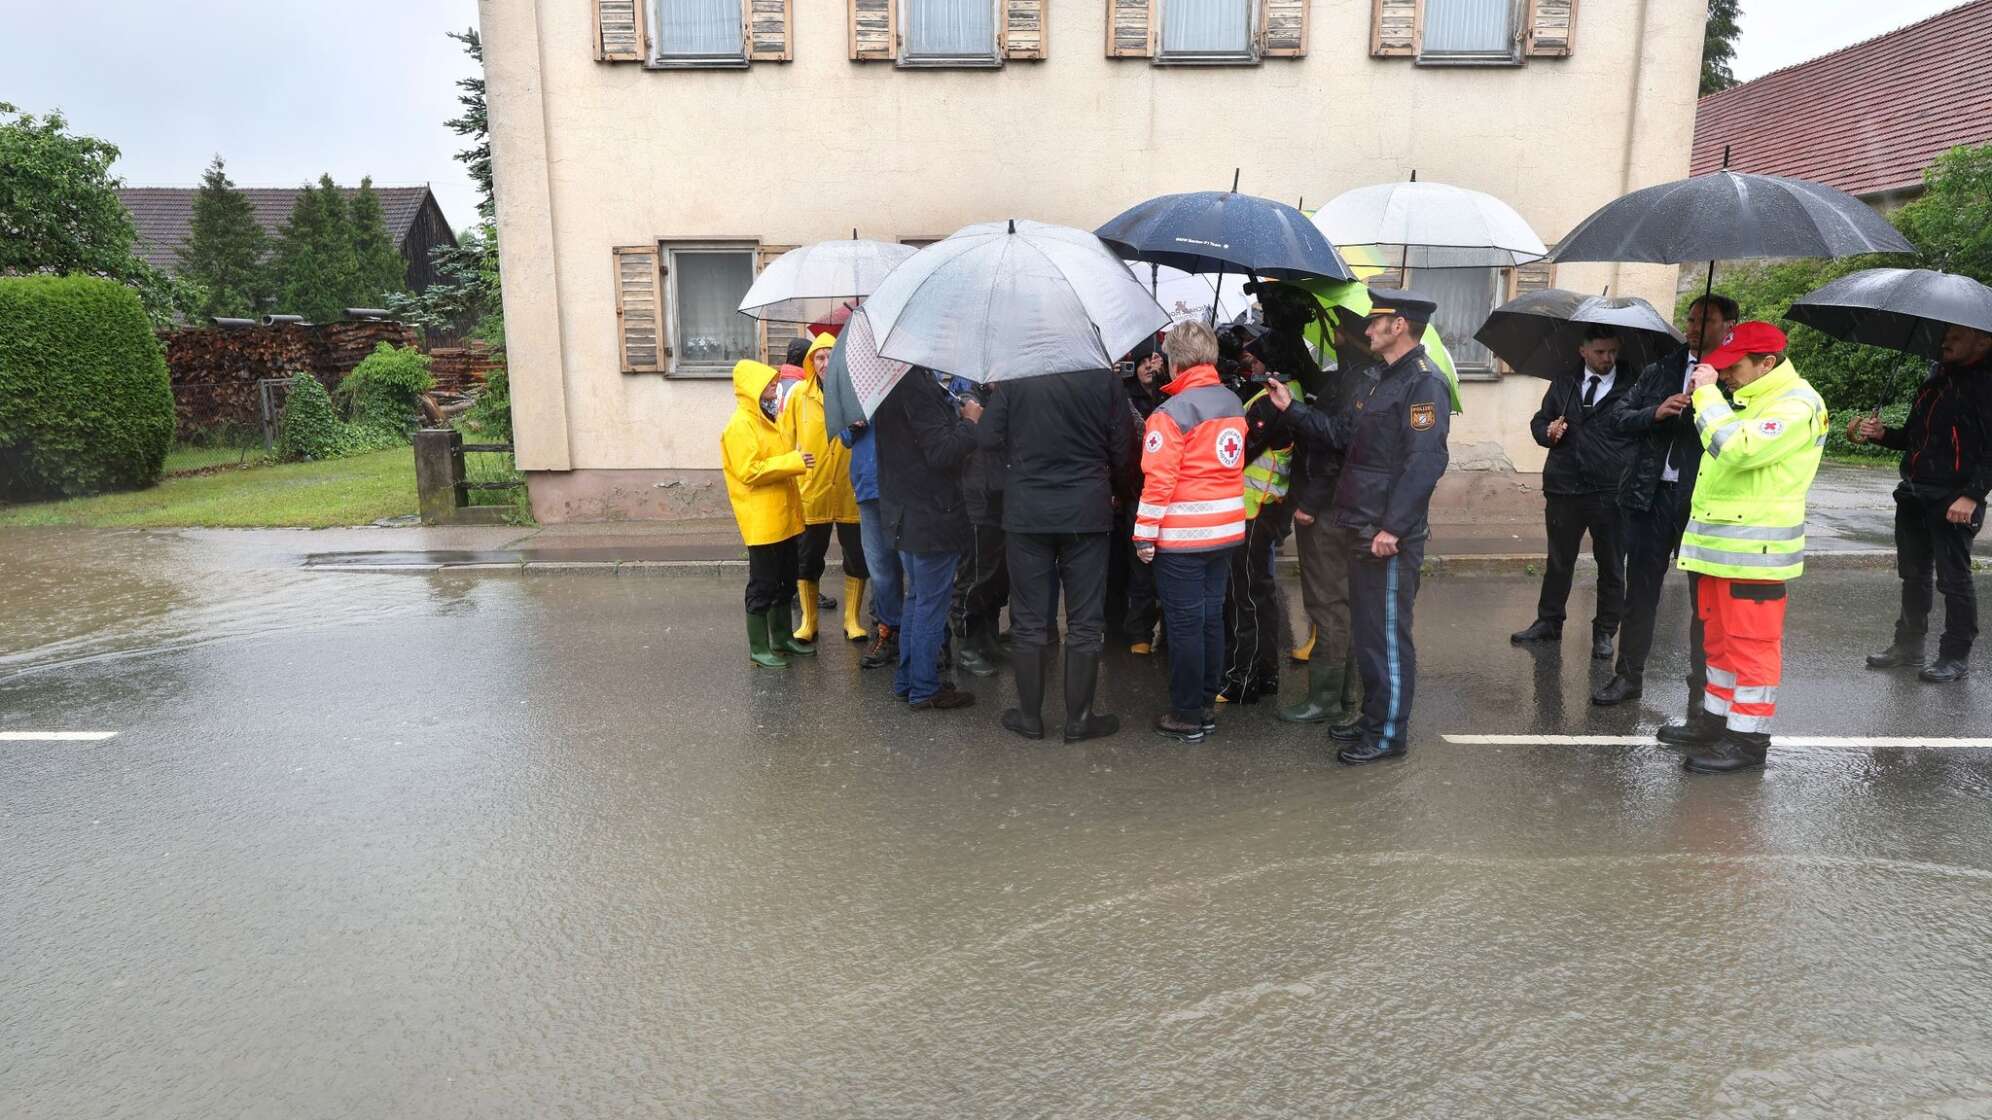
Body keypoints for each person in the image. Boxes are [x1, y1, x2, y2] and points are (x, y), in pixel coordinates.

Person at [1266, 287, 1450, 765]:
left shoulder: (1423, 385)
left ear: (1400, 326)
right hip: (1360, 525)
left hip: (1386, 535)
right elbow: (1344, 437)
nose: (1367, 329)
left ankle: (1389, 734)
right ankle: (1372, 720)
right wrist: (1293, 408)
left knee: (1387, 636)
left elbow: (1424, 462)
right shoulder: (1379, 379)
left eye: (1376, 321)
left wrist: (1394, 527)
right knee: (1369, 636)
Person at [1670, 322, 1827, 773]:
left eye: (1732, 367)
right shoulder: (1754, 399)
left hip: (1754, 554)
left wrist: (1705, 397)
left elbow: (1737, 450)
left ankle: (1747, 741)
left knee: (1752, 650)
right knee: (1719, 646)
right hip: (1721, 551)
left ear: (1766, 364)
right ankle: (1715, 724)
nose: (1725, 375)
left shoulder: (1798, 404)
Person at [1591, 294, 1739, 713]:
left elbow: (1739, 437)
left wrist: (1707, 405)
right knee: (1640, 592)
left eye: (1703, 321)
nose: (1692, 328)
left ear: (1728, 326)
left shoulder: (1735, 374)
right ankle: (1628, 675)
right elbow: (1619, 417)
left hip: (1701, 502)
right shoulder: (1662, 368)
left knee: (1703, 602)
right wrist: (1655, 412)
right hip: (1649, 495)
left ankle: (1700, 690)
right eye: (1689, 320)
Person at [979, 366, 1136, 742]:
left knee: (1029, 619)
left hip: (1027, 511)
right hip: (1086, 509)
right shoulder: (1104, 379)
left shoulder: (1017, 377)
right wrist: (1119, 490)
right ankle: (1080, 719)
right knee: (1085, 620)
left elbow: (986, 437)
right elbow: (1123, 448)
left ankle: (1030, 718)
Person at [1850, 322, 1992, 683]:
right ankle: (1908, 646)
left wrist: (1973, 495)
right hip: (1914, 492)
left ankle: (1955, 656)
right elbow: (1913, 438)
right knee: (1913, 576)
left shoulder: (1987, 384)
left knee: (1954, 580)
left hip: (1955, 497)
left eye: (1955, 337)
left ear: (1983, 343)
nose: (1945, 341)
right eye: (1945, 336)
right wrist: (1883, 436)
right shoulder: (1936, 379)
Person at [1136, 320, 1249, 743]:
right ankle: (1204, 704)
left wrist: (1144, 535)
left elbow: (1159, 481)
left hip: (1183, 537)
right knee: (1210, 620)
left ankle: (1185, 716)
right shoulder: (1233, 402)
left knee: (1184, 626)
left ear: (1175, 361)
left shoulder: (1170, 414)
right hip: (1224, 532)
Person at [1276, 308, 1374, 732]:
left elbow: (1338, 444)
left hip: (1330, 507)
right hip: (1341, 504)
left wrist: (1311, 503)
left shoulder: (1361, 381)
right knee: (1342, 601)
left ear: (1345, 335)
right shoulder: (1362, 375)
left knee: (1328, 603)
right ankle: (1344, 692)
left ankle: (1325, 700)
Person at [1512, 326, 1636, 659]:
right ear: (1583, 351)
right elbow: (1540, 421)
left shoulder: (1633, 384)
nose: (1608, 358)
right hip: (1564, 485)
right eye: (1600, 352)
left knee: (1610, 564)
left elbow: (1641, 426)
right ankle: (1549, 622)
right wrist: (1547, 431)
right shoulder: (1564, 383)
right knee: (1559, 561)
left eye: (1612, 351)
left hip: (1610, 489)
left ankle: (1605, 631)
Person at [876, 367, 981, 710]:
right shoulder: (915, 385)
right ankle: (924, 687)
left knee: (917, 599)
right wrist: (969, 422)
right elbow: (940, 452)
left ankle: (909, 681)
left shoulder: (892, 381)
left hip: (907, 513)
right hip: (931, 515)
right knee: (930, 606)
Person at [719, 359, 817, 668]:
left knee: (786, 580)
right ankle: (759, 647)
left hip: (784, 517)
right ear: (752, 390)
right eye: (770, 384)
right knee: (763, 584)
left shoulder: (767, 419)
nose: (776, 388)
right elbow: (749, 471)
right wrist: (794, 461)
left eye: (775, 383)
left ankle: (782, 637)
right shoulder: (740, 425)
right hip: (762, 521)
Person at [1217, 332, 1296, 704]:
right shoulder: (1292, 390)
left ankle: (1243, 679)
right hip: (1268, 507)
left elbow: (1240, 451)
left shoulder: (1270, 401)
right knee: (1261, 591)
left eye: (1256, 358)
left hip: (1253, 508)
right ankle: (1266, 672)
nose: (1252, 363)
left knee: (1244, 594)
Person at [783, 333, 868, 644]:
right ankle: (809, 621)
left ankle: (852, 619)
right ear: (810, 362)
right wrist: (793, 465)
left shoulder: (855, 393)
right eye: (819, 357)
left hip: (849, 489)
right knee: (808, 559)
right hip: (812, 490)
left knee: (856, 558)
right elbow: (785, 439)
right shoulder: (797, 397)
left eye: (831, 356)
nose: (825, 363)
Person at [952, 379, 1009, 678]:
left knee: (996, 575)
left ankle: (988, 637)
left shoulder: (1000, 395)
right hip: (975, 499)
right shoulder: (964, 398)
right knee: (973, 575)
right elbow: (976, 439)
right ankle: (966, 645)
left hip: (999, 497)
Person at [1118, 346, 1167, 654]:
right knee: (1141, 565)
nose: (1149, 366)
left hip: (1167, 492)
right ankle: (1139, 631)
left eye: (1155, 360)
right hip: (1138, 488)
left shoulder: (1171, 396)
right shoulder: (1126, 399)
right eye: (1144, 362)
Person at [845, 414, 902, 670]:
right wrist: (851, 423)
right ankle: (889, 632)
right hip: (869, 485)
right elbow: (845, 438)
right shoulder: (855, 385)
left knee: (917, 565)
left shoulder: (912, 376)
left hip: (906, 484)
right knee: (880, 569)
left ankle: (934, 640)